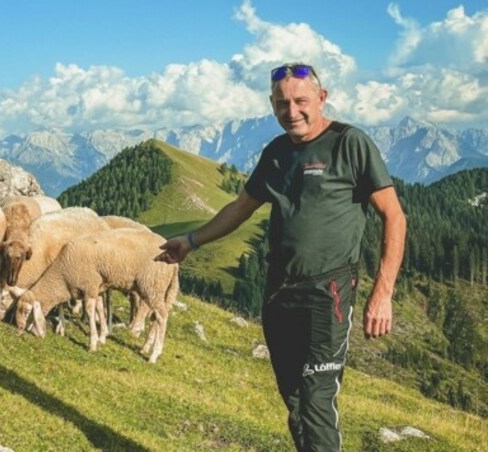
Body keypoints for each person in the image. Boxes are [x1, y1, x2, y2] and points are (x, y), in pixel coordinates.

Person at [156, 62, 406, 451]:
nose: (291, 112)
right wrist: (191, 240)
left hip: (329, 293)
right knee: (293, 397)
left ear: (321, 99)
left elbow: (394, 215)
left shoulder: (350, 143)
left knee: (316, 398)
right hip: (279, 291)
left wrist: (383, 293)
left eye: (301, 101)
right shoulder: (276, 152)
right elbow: (241, 208)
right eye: (281, 103)